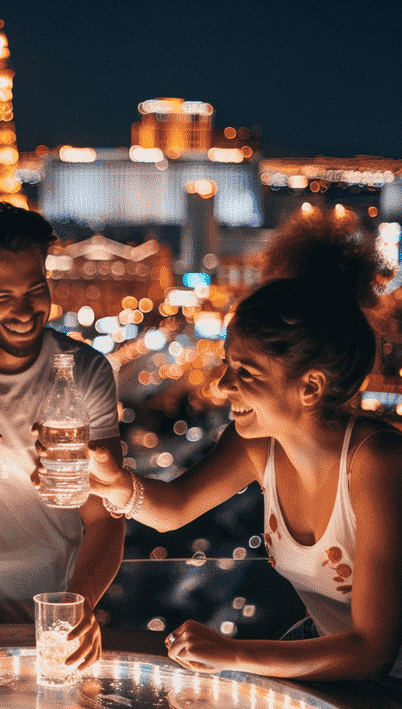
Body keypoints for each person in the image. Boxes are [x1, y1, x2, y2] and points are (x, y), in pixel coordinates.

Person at [86, 208, 402, 684]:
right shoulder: (259, 446)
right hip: (331, 670)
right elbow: (174, 507)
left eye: (246, 373)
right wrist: (114, 483)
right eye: (228, 365)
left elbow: (374, 649)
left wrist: (233, 653)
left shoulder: (376, 462)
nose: (222, 385)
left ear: (310, 387)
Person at [0, 202, 125, 670]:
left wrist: (77, 608)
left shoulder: (85, 371)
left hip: (55, 612)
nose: (25, 310)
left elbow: (106, 517)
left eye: (36, 289)